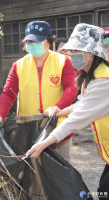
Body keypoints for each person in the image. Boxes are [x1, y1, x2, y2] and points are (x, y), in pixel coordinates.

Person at [26, 23, 109, 199]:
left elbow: (75, 121)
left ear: (92, 52)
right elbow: (82, 104)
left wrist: (43, 144)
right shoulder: (92, 76)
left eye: (77, 51)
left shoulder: (104, 81)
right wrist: (59, 112)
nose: (72, 55)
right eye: (71, 51)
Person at [0, 21, 78, 163]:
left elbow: (71, 88)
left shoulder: (63, 61)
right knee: (32, 174)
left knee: (59, 173)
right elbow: (8, 93)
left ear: (49, 41)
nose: (32, 44)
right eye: (29, 41)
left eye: (37, 41)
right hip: (28, 130)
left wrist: (58, 107)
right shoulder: (19, 65)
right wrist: (0, 115)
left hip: (57, 129)